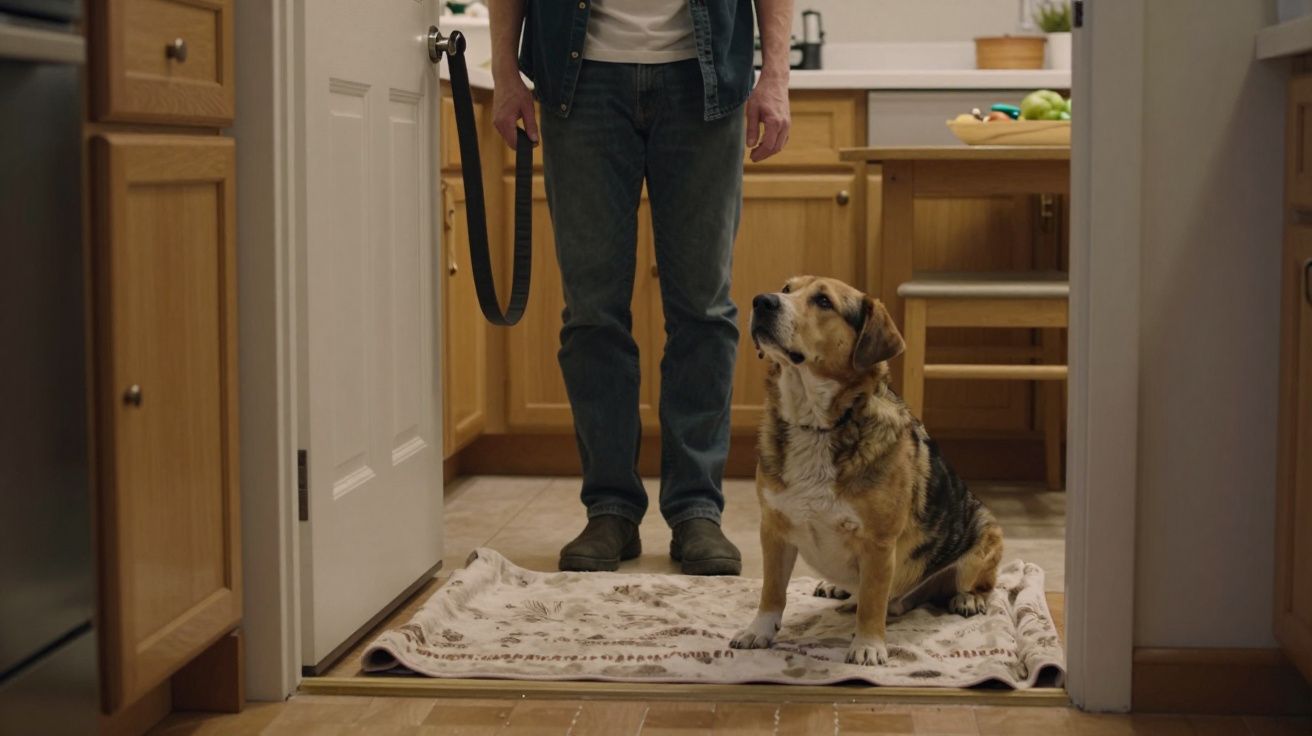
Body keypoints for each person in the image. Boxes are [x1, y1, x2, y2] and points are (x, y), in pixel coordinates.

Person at [488, 0, 794, 575]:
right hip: (578, 83)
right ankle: (610, 510)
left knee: (704, 312)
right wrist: (505, 75)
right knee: (592, 314)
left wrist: (775, 75)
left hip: (704, 78)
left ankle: (697, 510)